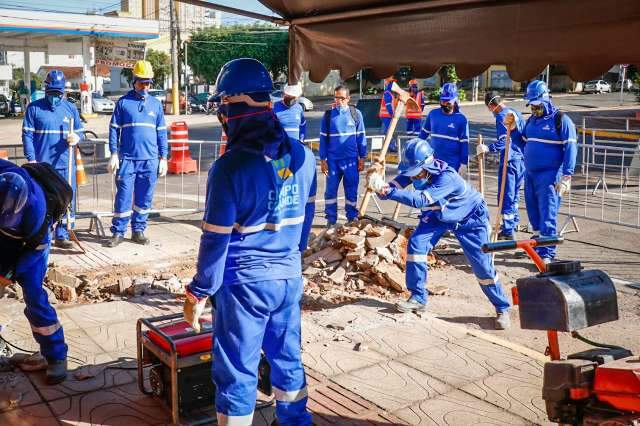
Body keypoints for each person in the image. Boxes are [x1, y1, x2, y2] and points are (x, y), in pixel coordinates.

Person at [182, 58, 315, 426]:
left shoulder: (229, 168)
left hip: (244, 286)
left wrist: (198, 292)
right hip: (289, 278)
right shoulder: (303, 156)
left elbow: (215, 242)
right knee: (287, 359)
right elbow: (303, 223)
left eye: (222, 106)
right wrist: (289, 256)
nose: (221, 116)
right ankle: (296, 421)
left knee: (238, 370)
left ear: (233, 106)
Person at [369, 138, 511, 329]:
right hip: (438, 213)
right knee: (417, 245)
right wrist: (376, 181)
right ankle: (418, 298)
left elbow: (419, 200)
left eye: (416, 172)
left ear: (428, 164)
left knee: (482, 267)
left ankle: (502, 307)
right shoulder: (417, 170)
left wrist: (385, 189)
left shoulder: (447, 177)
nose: (413, 177)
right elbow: (389, 190)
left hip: (470, 219)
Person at [0, 159, 68, 383]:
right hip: (4, 237)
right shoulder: (5, 171)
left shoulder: (35, 212)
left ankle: (56, 356)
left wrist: (6, 276)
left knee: (33, 294)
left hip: (28, 247)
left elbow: (28, 257)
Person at [107, 60, 168, 247]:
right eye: (142, 82)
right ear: (134, 81)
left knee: (145, 197)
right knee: (123, 197)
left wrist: (164, 157)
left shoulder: (156, 105)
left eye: (148, 82)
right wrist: (114, 153)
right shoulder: (123, 103)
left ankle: (138, 230)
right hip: (128, 160)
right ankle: (118, 232)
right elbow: (113, 129)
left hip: (149, 160)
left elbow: (162, 132)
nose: (145, 86)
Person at [22, 70, 83, 249]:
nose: (55, 97)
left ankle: (62, 234)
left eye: (58, 93)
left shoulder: (70, 108)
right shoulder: (34, 109)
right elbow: (27, 136)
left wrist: (77, 137)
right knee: (43, 201)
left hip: (65, 164)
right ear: (45, 89)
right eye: (52, 93)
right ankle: (43, 235)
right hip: (42, 166)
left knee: (65, 200)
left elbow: (80, 130)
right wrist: (31, 159)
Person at [520, 80, 577, 262]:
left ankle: (547, 254)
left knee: (547, 215)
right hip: (530, 174)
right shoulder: (532, 121)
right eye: (531, 106)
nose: (534, 109)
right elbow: (522, 142)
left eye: (536, 105)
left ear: (545, 100)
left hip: (550, 176)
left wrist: (567, 176)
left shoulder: (561, 121)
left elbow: (571, 149)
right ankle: (537, 246)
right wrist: (513, 129)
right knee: (533, 214)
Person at [478, 91, 526, 240]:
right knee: (514, 196)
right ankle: (513, 223)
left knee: (505, 196)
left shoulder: (501, 116)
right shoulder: (515, 111)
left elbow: (505, 141)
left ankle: (508, 231)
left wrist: (487, 148)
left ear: (492, 105)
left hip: (510, 161)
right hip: (521, 160)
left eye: (489, 108)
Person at [319, 85, 366, 226]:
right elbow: (323, 139)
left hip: (351, 161)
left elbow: (361, 137)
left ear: (348, 99)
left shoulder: (356, 114)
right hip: (333, 162)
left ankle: (351, 218)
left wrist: (362, 158)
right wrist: (323, 160)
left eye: (342, 98)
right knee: (330, 192)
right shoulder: (328, 116)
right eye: (336, 97)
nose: (339, 101)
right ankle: (331, 220)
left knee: (351, 191)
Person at [419, 83, 469, 175]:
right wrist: (415, 149)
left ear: (455, 101)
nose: (445, 104)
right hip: (434, 164)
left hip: (452, 165)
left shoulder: (461, 119)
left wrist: (464, 163)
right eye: (443, 101)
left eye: (448, 101)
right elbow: (422, 135)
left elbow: (464, 144)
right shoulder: (433, 114)